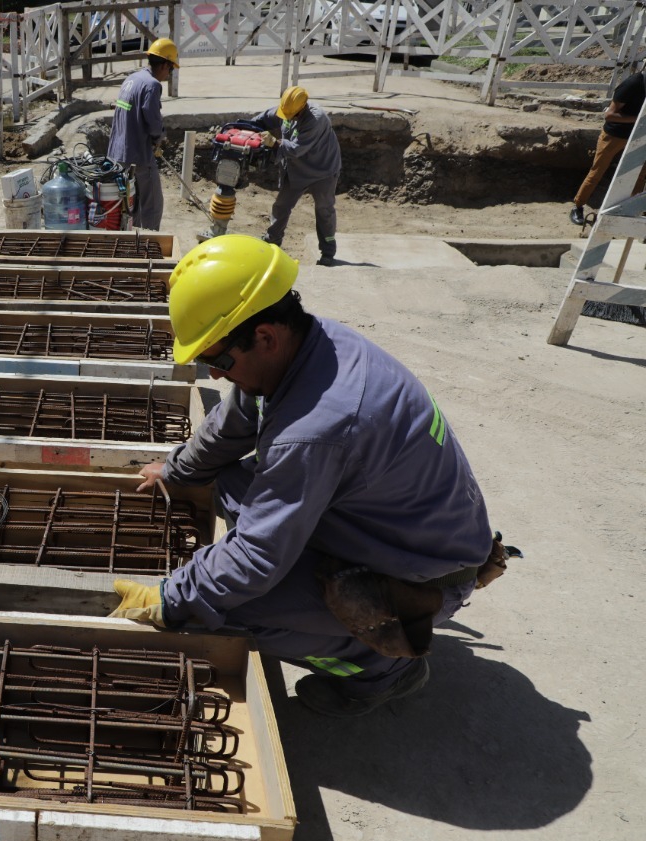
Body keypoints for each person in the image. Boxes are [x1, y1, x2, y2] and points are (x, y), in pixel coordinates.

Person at [110, 235, 510, 717]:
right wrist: (177, 470)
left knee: (225, 609)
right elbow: (237, 421)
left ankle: (377, 668)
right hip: (400, 529)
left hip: (421, 572)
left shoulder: (318, 428)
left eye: (216, 361)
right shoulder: (310, 346)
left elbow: (258, 557)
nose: (213, 376)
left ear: (264, 337)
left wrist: (172, 595)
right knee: (226, 482)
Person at [248, 86, 341, 265]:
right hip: (297, 169)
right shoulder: (288, 109)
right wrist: (246, 126)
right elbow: (263, 119)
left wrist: (274, 142)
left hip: (323, 170)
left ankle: (328, 252)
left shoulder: (316, 119)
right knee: (282, 206)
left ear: (301, 108)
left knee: (324, 209)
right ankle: (272, 241)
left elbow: (297, 149)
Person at [107, 38, 178, 231]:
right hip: (138, 155)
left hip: (118, 154)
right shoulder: (152, 85)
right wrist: (159, 138)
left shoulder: (132, 79)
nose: (168, 74)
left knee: (132, 203)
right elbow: (154, 123)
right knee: (152, 204)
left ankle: (133, 241)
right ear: (164, 64)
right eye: (170, 69)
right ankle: (150, 244)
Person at [570, 68, 646, 226]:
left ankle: (632, 211)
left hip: (639, 135)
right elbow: (610, 114)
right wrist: (638, 118)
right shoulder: (632, 84)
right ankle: (578, 206)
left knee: (640, 174)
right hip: (615, 134)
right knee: (598, 170)